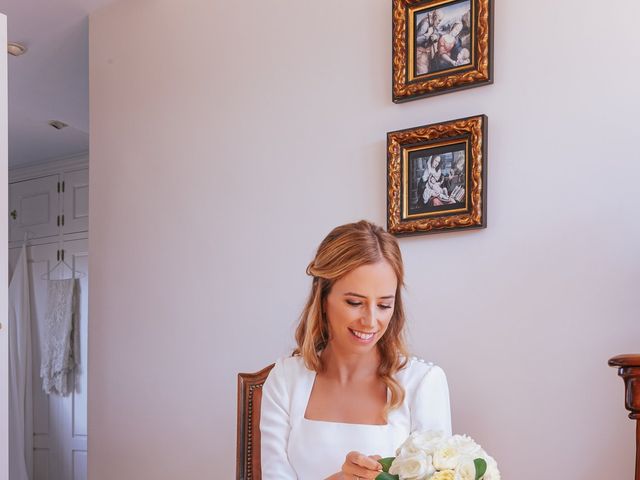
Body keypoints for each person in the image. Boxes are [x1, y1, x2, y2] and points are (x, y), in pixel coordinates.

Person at [260, 220, 452, 480]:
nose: (371, 321)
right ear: (323, 298)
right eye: (354, 302)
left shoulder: (423, 383)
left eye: (384, 305)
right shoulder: (285, 380)